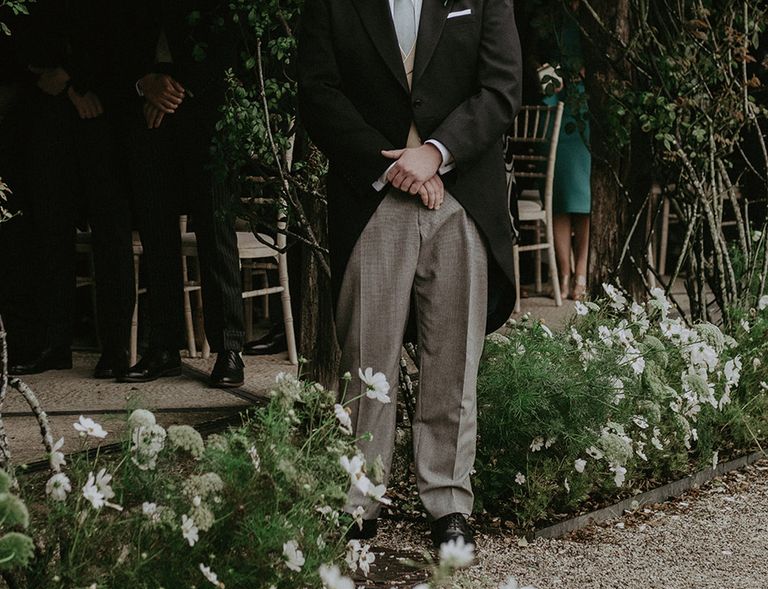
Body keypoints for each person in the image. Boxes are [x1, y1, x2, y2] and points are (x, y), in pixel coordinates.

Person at [298, 0, 521, 549]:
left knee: (452, 356)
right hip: (370, 195)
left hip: (461, 194)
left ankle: (448, 503)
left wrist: (436, 154)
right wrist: (392, 164)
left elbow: (501, 89)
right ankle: (358, 499)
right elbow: (317, 92)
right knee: (366, 357)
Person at [114, 1, 245, 388]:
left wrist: (177, 93)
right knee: (156, 229)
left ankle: (229, 348)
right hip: (145, 111)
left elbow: (231, 38)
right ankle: (164, 346)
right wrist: (145, 86)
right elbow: (113, 40)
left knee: (215, 224)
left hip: (207, 107)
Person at [3, 0, 135, 378]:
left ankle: (115, 345)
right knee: (50, 228)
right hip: (46, 111)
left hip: (103, 109)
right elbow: (22, 31)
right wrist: (59, 81)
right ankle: (54, 343)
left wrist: (76, 77)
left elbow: (120, 33)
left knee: (110, 232)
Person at [538, 0, 592, 301]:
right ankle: (564, 273)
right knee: (559, 198)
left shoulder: (593, 15)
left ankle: (582, 273)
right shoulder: (550, 14)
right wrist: (554, 80)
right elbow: (538, 61)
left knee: (585, 200)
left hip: (587, 113)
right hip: (556, 107)